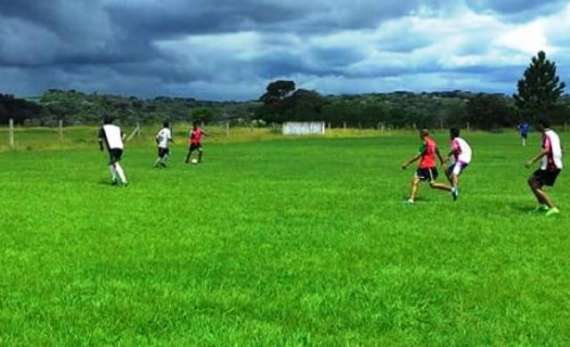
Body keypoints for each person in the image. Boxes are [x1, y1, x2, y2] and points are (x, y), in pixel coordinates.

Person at [526, 119, 563, 216]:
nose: (536, 127)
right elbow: (561, 148)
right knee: (531, 181)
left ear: (541, 125)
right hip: (553, 165)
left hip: (550, 166)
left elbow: (546, 150)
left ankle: (553, 208)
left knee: (535, 185)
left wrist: (532, 161)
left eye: (537, 125)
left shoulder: (547, 135)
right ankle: (542, 205)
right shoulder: (554, 134)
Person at [401, 129, 447, 204]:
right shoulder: (433, 143)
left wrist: (407, 163)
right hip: (426, 166)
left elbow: (417, 156)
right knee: (415, 181)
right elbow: (438, 153)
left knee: (433, 184)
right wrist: (442, 162)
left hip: (427, 166)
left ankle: (452, 189)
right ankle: (411, 199)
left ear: (421, 135)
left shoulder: (425, 143)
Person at [432, 128, 473, 201]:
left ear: (452, 134)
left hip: (463, 158)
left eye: (450, 133)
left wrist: (448, 156)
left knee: (454, 174)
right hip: (466, 158)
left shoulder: (455, 140)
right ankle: (453, 188)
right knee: (448, 171)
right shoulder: (460, 140)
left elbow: (455, 149)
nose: (449, 135)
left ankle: (455, 190)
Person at [98, 116, 128, 186]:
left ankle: (124, 181)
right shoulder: (117, 127)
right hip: (120, 147)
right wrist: (121, 142)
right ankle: (114, 179)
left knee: (115, 164)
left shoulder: (103, 128)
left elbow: (99, 138)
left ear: (104, 121)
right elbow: (124, 135)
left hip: (112, 148)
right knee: (111, 163)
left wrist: (101, 147)